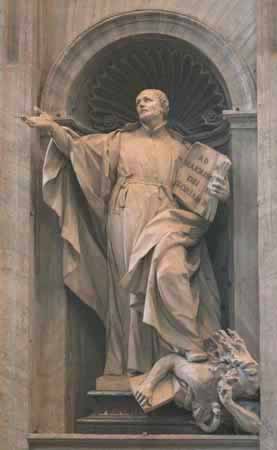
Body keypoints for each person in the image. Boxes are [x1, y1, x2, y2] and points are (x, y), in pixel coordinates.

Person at [21, 90, 229, 375]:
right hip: (125, 214)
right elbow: (79, 149)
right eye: (138, 101)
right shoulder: (120, 140)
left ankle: (175, 355)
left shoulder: (183, 149)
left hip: (167, 218)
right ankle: (130, 366)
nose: (141, 103)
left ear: (164, 107)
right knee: (127, 287)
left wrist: (222, 194)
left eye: (148, 99)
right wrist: (54, 128)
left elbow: (201, 197)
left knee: (170, 271)